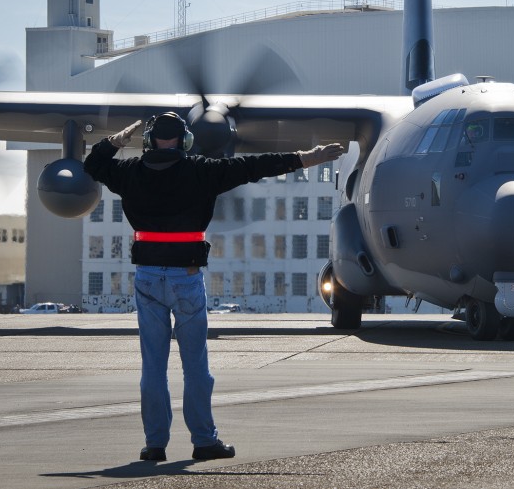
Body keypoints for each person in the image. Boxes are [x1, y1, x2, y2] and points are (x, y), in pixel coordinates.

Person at [84, 112, 343, 462]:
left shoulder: (128, 172)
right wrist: (307, 157)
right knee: (195, 366)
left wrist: (117, 139)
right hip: (186, 277)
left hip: (147, 277)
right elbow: (255, 166)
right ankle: (204, 441)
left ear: (148, 141)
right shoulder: (202, 170)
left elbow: (93, 165)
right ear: (185, 140)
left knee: (153, 367)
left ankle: (155, 444)